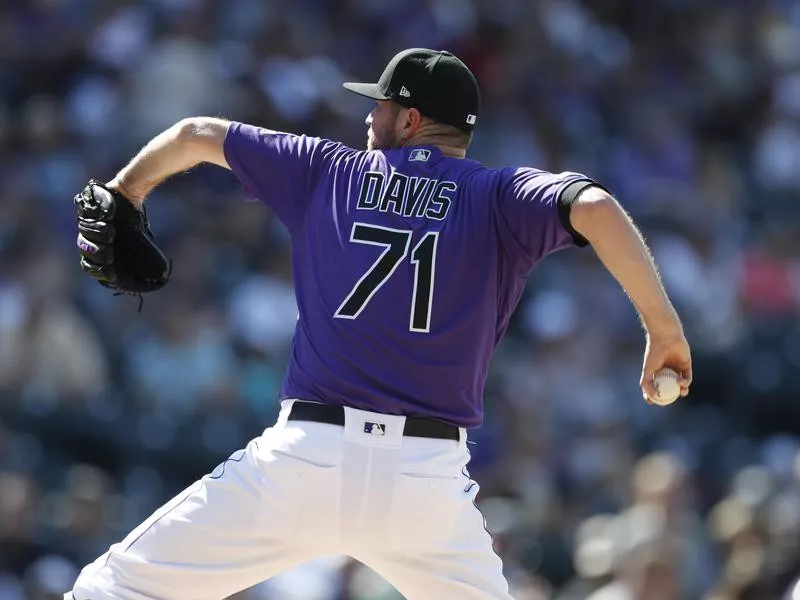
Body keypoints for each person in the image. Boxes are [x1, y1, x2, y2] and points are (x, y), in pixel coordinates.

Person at [66, 48, 692, 600]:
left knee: (112, 590)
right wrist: (662, 331)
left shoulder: (326, 169)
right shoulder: (500, 196)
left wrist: (126, 192)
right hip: (425, 483)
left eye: (381, 106)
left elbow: (195, 132)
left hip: (305, 462)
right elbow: (596, 205)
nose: (369, 118)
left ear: (411, 120)